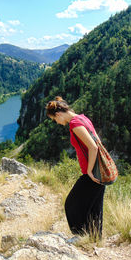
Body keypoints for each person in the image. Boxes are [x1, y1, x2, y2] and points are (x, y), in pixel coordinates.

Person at [45, 96, 105, 239]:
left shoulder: (74, 124)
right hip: (99, 170)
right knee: (94, 208)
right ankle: (95, 239)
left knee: (71, 205)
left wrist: (89, 171)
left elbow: (93, 146)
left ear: (58, 114)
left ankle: (80, 237)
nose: (57, 123)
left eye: (55, 120)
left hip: (92, 173)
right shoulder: (83, 118)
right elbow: (98, 140)